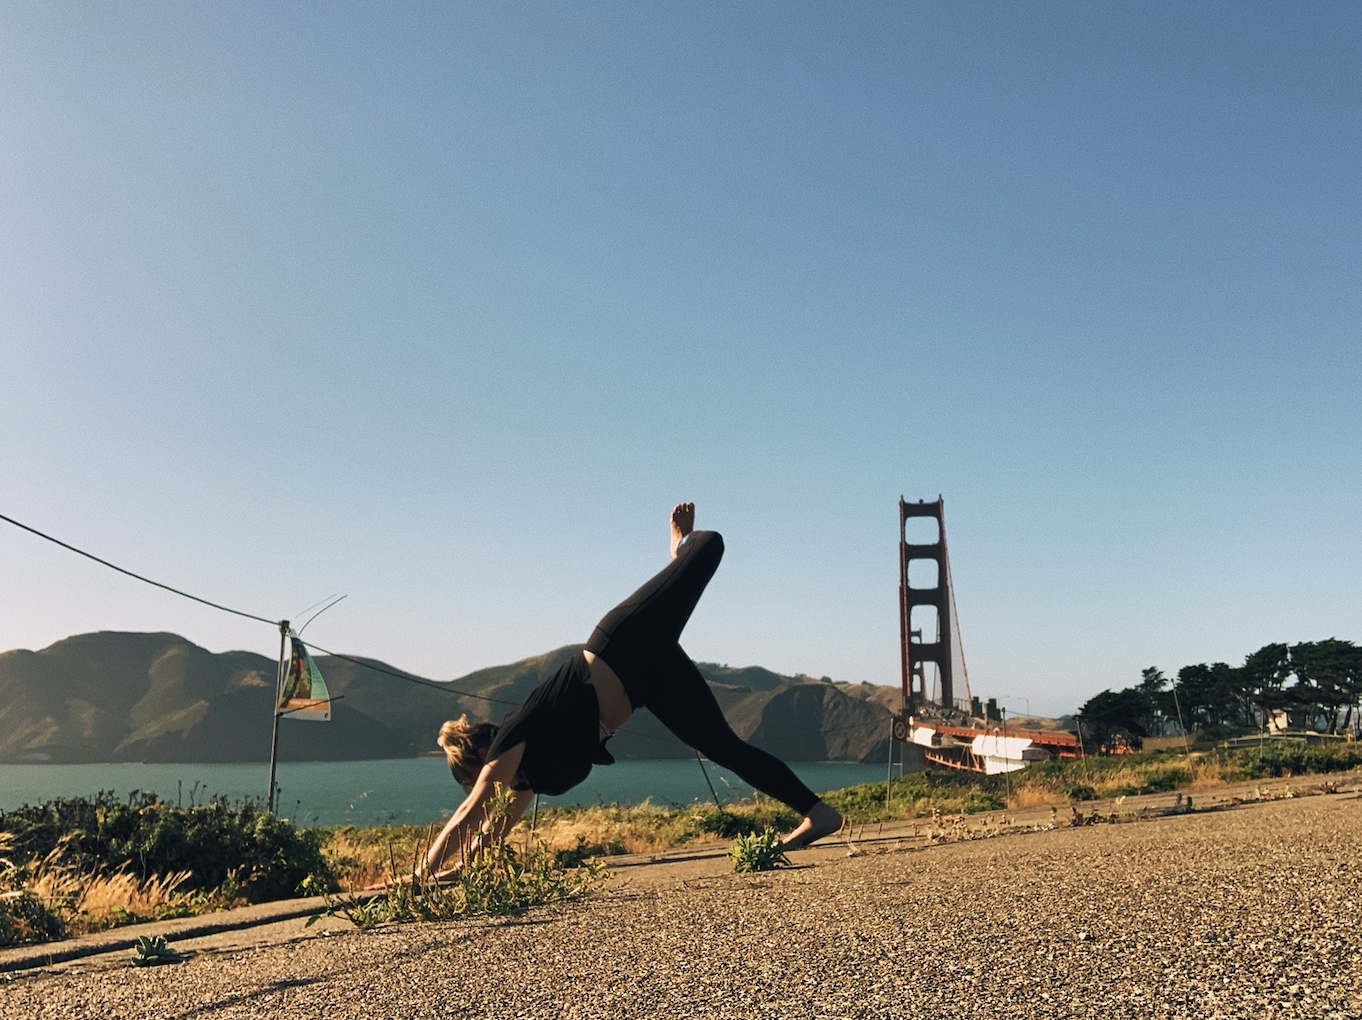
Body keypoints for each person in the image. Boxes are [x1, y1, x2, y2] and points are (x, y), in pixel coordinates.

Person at [423, 503, 843, 877]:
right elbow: (490, 833)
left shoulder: (508, 740)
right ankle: (819, 814)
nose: (487, 792)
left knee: (709, 545)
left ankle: (679, 546)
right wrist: (451, 875)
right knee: (726, 748)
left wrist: (418, 877)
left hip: (624, 642)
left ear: (481, 755)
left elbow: (469, 814)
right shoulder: (523, 781)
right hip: (649, 682)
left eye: (477, 780)